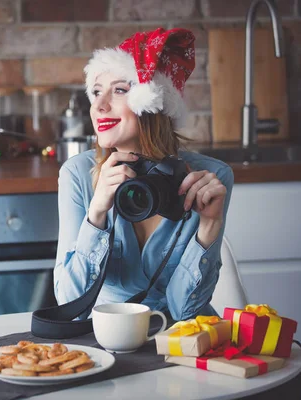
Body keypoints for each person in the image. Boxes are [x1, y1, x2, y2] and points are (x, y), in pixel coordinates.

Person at [53, 27, 233, 322]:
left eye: (120, 90)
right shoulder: (77, 174)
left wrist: (210, 226)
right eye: (96, 92)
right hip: (108, 336)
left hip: (180, 340)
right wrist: (97, 213)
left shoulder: (210, 177)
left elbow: (183, 310)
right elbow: (71, 304)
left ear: (153, 104)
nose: (99, 105)